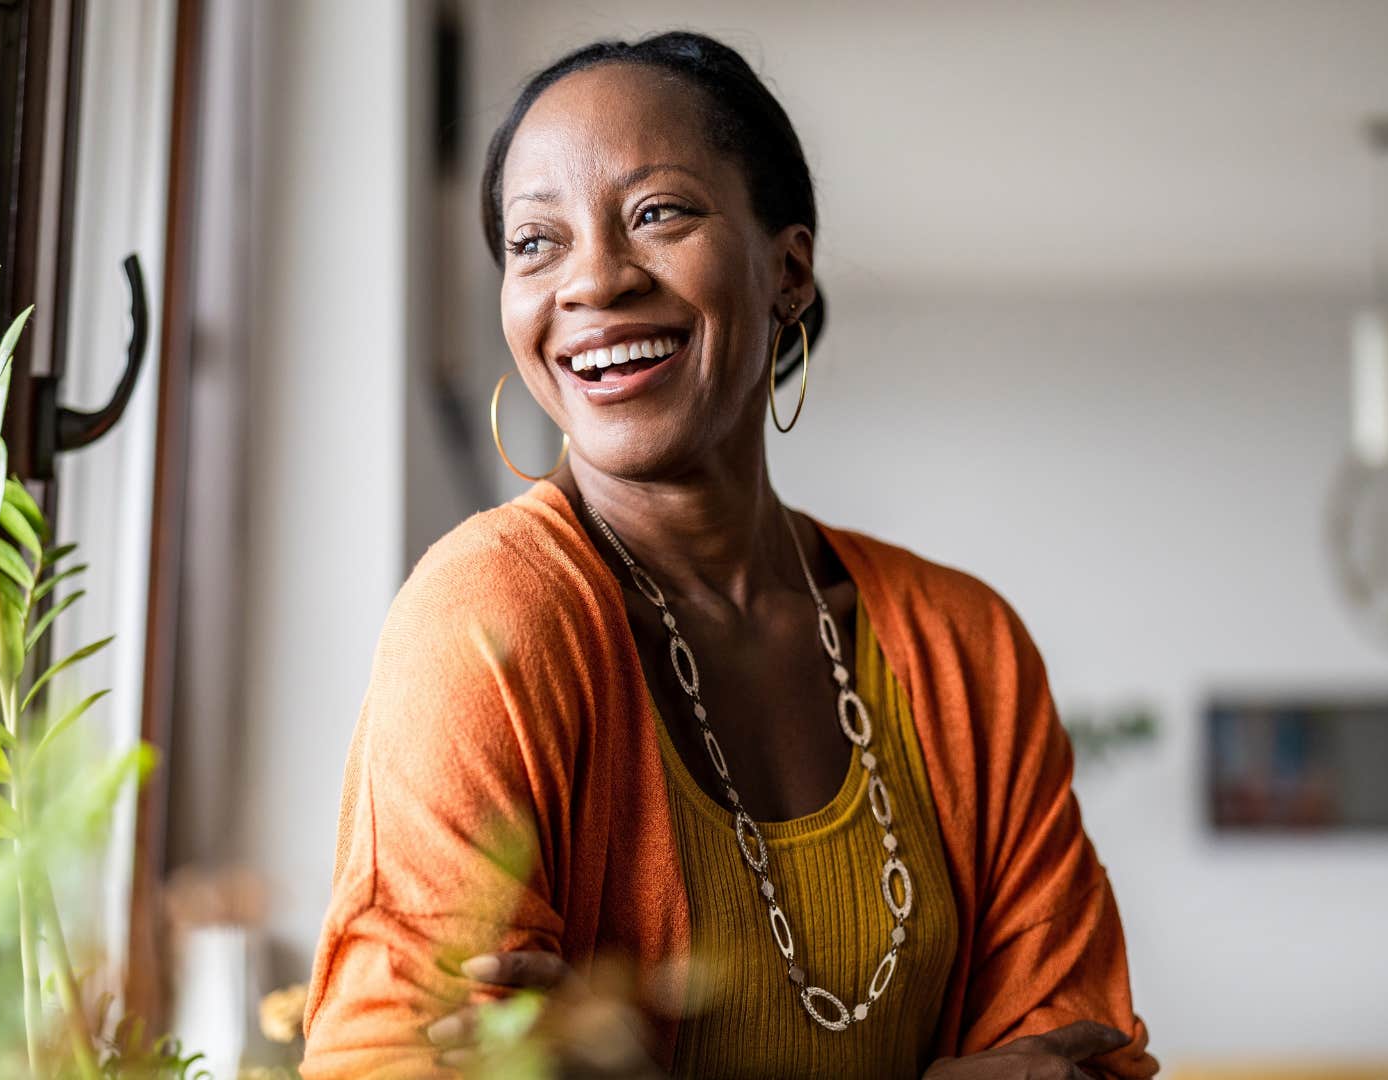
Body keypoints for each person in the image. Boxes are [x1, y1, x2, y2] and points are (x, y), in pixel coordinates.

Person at [301, 30, 1156, 1079]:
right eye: (536, 243)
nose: (594, 281)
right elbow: (389, 1059)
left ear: (787, 271)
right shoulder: (489, 614)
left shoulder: (963, 647)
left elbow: (1080, 1063)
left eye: (658, 214)